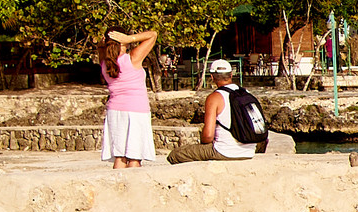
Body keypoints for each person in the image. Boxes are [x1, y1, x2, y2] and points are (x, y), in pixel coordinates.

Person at [169, 59, 264, 163]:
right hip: (249, 151)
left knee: (175, 155)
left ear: (212, 77)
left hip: (224, 151)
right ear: (231, 75)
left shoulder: (214, 97)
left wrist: (204, 144)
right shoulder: (246, 93)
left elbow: (208, 136)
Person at [99, 29, 157, 169]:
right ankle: (134, 190)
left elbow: (100, 45)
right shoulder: (133, 58)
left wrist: (107, 41)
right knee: (134, 157)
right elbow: (153, 35)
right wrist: (130, 38)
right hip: (136, 110)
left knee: (120, 157)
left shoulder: (104, 61)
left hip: (115, 110)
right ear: (122, 42)